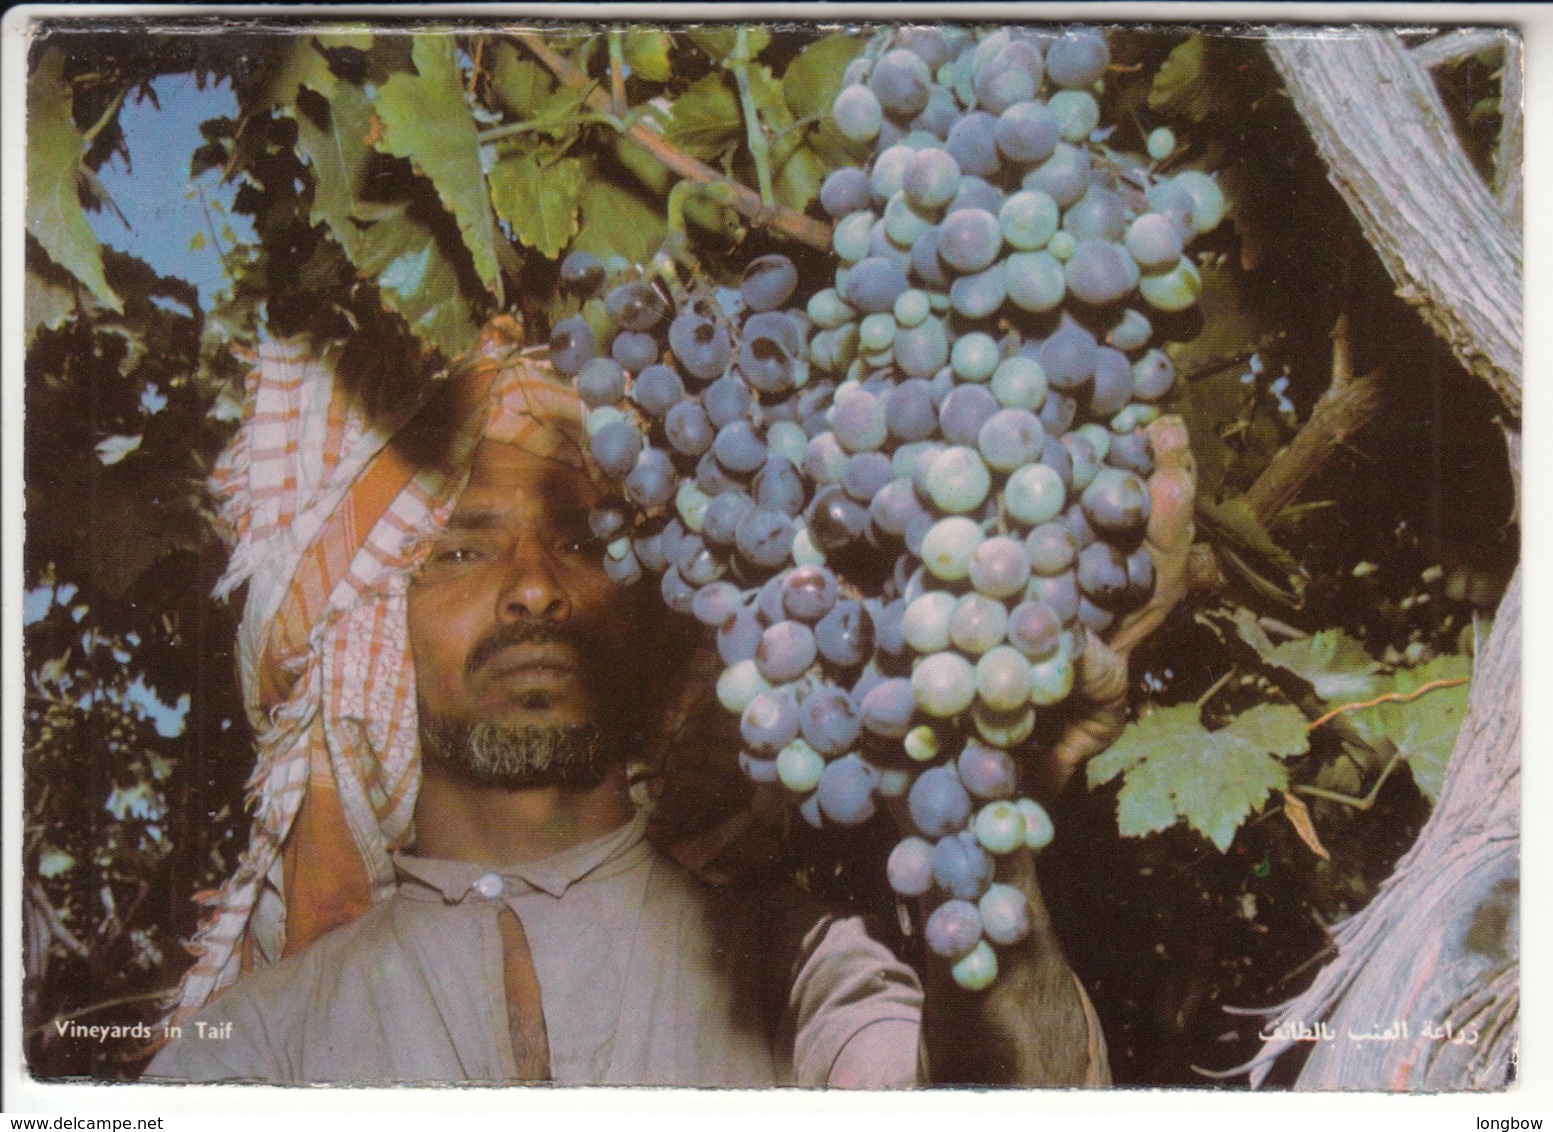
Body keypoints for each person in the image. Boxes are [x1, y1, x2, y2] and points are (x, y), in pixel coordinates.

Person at [143, 317, 1194, 1088]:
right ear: (371, 637)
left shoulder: (795, 966)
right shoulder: (257, 1044)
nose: (533, 587)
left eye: (584, 544)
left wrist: (984, 803)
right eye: (459, 549)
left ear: (653, 613)